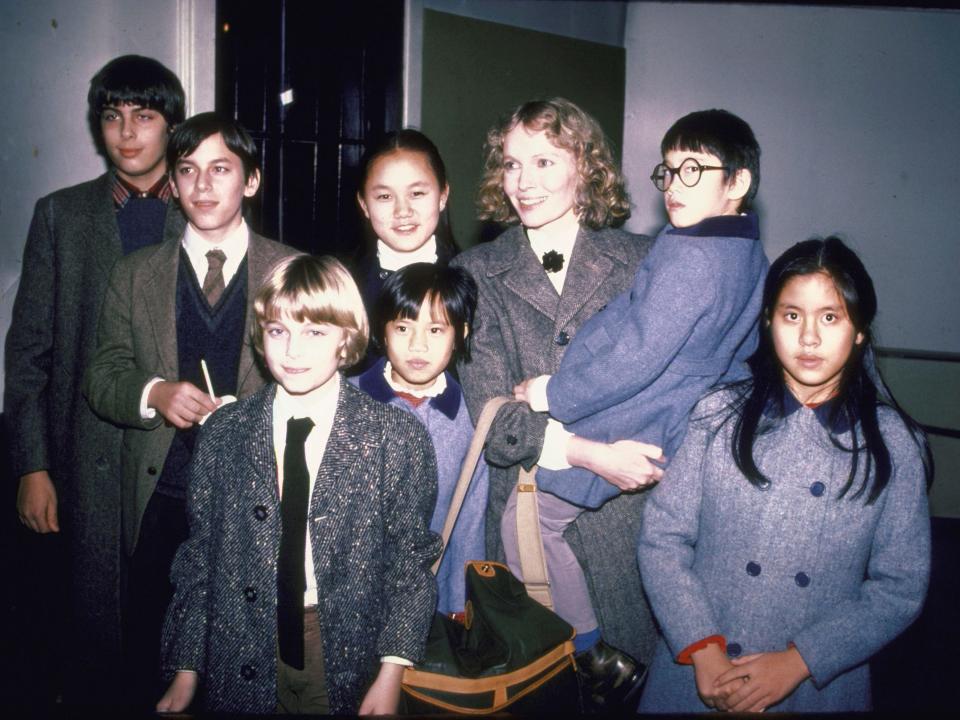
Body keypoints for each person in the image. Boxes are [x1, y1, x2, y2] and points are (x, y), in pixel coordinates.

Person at [637, 237, 932, 713]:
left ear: (859, 330)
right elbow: (662, 539)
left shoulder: (893, 444)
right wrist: (703, 647)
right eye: (792, 315)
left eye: (830, 317)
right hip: (696, 672)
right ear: (769, 321)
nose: (809, 338)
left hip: (815, 687)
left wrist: (801, 661)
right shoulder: (717, 415)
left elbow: (900, 587)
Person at [157, 255, 441, 715]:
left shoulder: (395, 438)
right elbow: (200, 556)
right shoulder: (225, 433)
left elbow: (409, 565)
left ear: (346, 337)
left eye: (314, 332)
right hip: (239, 639)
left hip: (341, 649)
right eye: (277, 331)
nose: (292, 351)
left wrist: (392, 671)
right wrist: (187, 667)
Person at [83, 112, 297, 706]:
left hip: (261, 500)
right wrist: (154, 393)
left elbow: (326, 383)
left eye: (221, 169)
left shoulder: (293, 271)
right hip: (161, 498)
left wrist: (257, 410)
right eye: (188, 171)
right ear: (173, 185)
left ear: (251, 181)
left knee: (247, 658)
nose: (203, 185)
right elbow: (101, 375)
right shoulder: (134, 275)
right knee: (153, 659)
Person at [452, 97, 656, 709]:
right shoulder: (477, 271)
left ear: (586, 165)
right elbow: (494, 416)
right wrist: (586, 451)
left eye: (544, 161)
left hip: (631, 518)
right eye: (512, 165)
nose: (524, 182)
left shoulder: (644, 263)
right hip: (524, 526)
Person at [4, 54, 185, 703]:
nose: (127, 132)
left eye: (145, 115)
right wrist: (31, 465)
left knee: (174, 638)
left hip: (172, 465)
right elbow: (28, 351)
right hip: (83, 463)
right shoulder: (61, 216)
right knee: (92, 642)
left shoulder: (200, 216)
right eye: (113, 116)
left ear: (171, 125)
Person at [353, 262, 486, 615]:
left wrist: (462, 607)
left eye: (436, 330)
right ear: (381, 332)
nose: (418, 345)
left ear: (461, 334)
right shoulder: (346, 403)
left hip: (432, 602)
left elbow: (469, 521)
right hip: (351, 602)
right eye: (402, 327)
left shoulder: (470, 418)